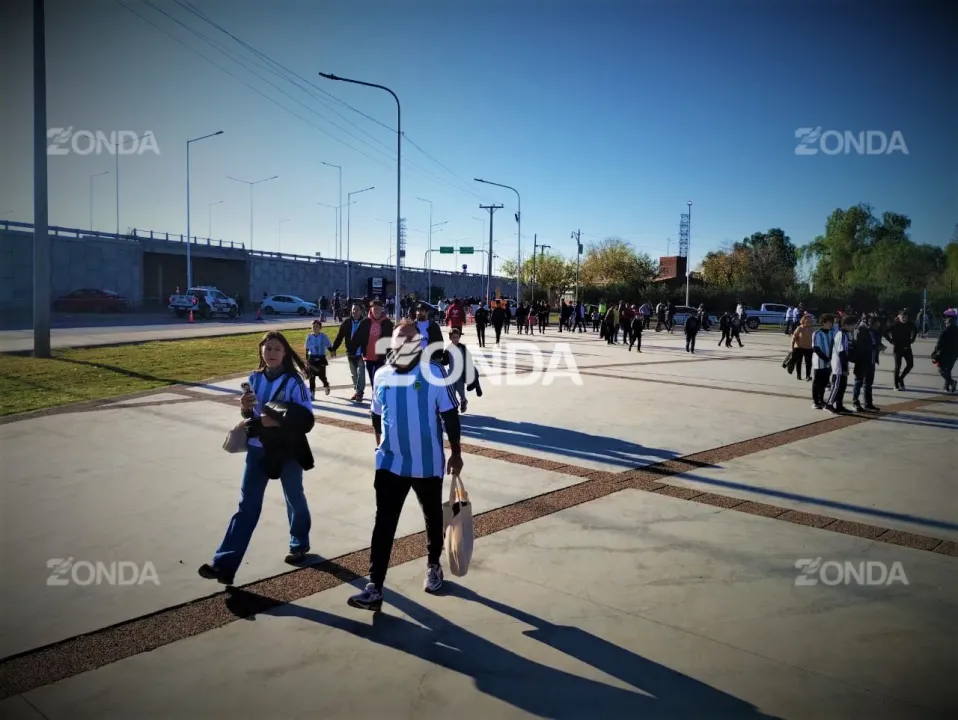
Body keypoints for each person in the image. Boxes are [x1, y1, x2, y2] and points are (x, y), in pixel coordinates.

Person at [348, 320, 464, 611]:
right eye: (399, 341)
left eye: (410, 341)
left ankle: (433, 564)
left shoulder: (434, 373)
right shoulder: (382, 375)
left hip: (427, 463)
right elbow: (376, 414)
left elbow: (450, 416)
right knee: (384, 523)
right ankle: (374, 585)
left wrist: (456, 453)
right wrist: (379, 444)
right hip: (389, 462)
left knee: (432, 516)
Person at [198, 332, 315, 585]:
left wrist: (273, 419)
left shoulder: (295, 382)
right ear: (261, 351)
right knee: (247, 506)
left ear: (285, 353)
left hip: (287, 450)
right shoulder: (253, 378)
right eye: (267, 347)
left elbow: (306, 419)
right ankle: (224, 565)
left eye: (277, 348)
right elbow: (250, 414)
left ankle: (299, 543)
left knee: (294, 497)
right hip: (257, 448)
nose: (271, 352)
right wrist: (245, 407)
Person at [331, 304, 369, 402]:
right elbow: (339, 336)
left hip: (361, 353)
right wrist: (334, 349)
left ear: (361, 311)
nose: (354, 312)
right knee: (354, 374)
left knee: (361, 373)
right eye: (353, 310)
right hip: (351, 352)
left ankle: (360, 392)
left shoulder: (365, 323)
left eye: (357, 310)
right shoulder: (346, 323)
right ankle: (356, 391)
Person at [444, 326, 481, 412]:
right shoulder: (448, 349)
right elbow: (445, 361)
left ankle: (463, 401)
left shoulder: (462, 347)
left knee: (460, 390)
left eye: (457, 337)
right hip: (451, 374)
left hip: (460, 374)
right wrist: (440, 360)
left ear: (459, 337)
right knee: (452, 391)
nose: (455, 339)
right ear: (450, 338)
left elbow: (468, 358)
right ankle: (454, 406)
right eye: (453, 337)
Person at [825, 315, 856, 414]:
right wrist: (844, 368)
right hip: (839, 365)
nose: (853, 328)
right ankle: (829, 404)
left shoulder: (845, 335)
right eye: (852, 325)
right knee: (836, 386)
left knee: (842, 386)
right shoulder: (841, 335)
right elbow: (842, 353)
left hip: (842, 364)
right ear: (846, 325)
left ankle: (839, 405)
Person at [851, 315, 882, 412]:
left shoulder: (875, 332)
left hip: (871, 360)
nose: (878, 325)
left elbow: (876, 343)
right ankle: (855, 402)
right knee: (858, 382)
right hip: (862, 360)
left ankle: (868, 403)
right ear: (870, 323)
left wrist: (879, 346)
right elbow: (860, 346)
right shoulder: (861, 330)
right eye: (876, 324)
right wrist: (874, 347)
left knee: (868, 383)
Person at [360, 301, 394, 388]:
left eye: (378, 308)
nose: (376, 310)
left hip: (381, 357)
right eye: (374, 308)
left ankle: (380, 396)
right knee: (372, 378)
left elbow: (392, 339)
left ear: (382, 310)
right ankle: (375, 395)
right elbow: (358, 338)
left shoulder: (388, 323)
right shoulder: (365, 322)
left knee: (379, 378)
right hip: (368, 356)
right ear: (371, 310)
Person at [884, 309, 918, 391]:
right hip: (897, 348)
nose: (904, 319)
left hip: (907, 347)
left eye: (906, 317)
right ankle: (896, 385)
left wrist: (913, 338)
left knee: (910, 365)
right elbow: (884, 332)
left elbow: (916, 330)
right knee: (898, 367)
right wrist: (890, 340)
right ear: (899, 317)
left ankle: (900, 379)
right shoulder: (895, 325)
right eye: (903, 317)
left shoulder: (910, 324)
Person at [811, 314, 835, 409]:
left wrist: (831, 358)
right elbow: (816, 348)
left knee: (825, 382)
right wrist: (826, 358)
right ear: (823, 322)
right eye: (829, 322)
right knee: (817, 381)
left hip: (828, 363)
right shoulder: (816, 333)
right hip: (819, 362)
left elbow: (833, 346)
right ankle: (815, 401)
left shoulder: (831, 333)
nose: (831, 324)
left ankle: (821, 399)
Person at [304, 318, 333, 398]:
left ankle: (326, 385)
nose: (315, 328)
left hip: (321, 358)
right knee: (311, 377)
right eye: (313, 327)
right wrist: (307, 360)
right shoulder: (309, 337)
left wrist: (332, 351)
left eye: (317, 326)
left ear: (320, 328)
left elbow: (328, 345)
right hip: (312, 358)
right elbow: (307, 349)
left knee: (322, 376)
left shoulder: (323, 336)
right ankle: (312, 392)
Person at [932, 315, 958, 393]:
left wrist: (934, 354)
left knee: (941, 370)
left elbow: (939, 344)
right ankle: (946, 386)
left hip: (945, 353)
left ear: (948, 323)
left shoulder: (945, 332)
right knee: (948, 369)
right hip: (954, 354)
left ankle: (951, 382)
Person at [791, 314, 814, 381]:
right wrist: (792, 348)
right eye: (808, 320)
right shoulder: (799, 328)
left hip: (809, 348)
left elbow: (814, 339)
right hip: (799, 347)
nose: (809, 321)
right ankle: (799, 375)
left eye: (810, 320)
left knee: (809, 363)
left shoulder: (812, 329)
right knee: (799, 362)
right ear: (803, 320)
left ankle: (808, 376)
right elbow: (793, 338)